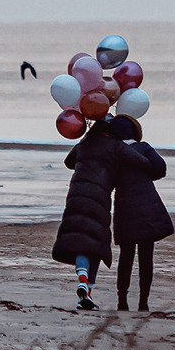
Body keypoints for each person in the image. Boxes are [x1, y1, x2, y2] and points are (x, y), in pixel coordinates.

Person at [51, 122, 123, 311]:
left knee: (81, 241)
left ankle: (82, 280)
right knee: (96, 245)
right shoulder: (115, 146)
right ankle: (87, 290)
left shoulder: (83, 145)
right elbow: (139, 161)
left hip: (77, 195)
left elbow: (68, 162)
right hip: (98, 200)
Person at [107, 115, 171, 311]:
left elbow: (108, 179)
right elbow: (161, 168)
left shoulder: (114, 151)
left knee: (126, 256)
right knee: (146, 256)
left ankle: (122, 300)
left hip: (124, 206)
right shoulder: (144, 148)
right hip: (147, 204)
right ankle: (143, 301)